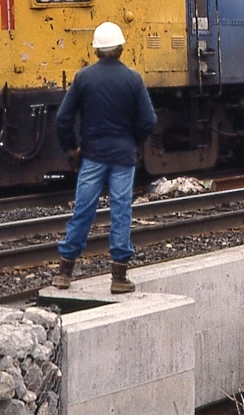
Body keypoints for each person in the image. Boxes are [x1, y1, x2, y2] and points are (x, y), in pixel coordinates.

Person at [51, 21, 157, 294]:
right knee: (121, 211)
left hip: (93, 156)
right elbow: (149, 120)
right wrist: (135, 141)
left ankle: (64, 272)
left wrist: (71, 148)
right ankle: (119, 277)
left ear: (96, 50)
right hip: (123, 156)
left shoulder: (83, 78)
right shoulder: (133, 79)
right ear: (121, 48)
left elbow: (63, 119)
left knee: (83, 210)